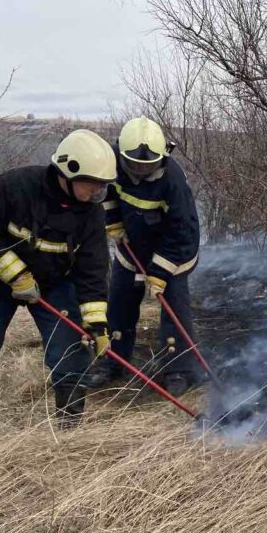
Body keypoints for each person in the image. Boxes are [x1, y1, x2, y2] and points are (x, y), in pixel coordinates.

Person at [0, 129, 116, 429]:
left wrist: (96, 325)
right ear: (68, 172)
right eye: (92, 184)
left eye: (102, 186)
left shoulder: (91, 214)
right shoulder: (14, 187)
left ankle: (69, 431)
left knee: (72, 351)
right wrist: (17, 276)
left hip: (56, 284)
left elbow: (93, 270)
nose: (97, 192)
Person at [84, 116, 201, 395]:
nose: (139, 170)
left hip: (173, 252)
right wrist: (112, 221)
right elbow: (108, 191)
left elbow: (181, 233)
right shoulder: (112, 161)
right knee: (120, 303)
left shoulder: (173, 183)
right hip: (132, 247)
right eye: (134, 164)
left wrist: (160, 273)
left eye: (146, 165)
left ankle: (179, 369)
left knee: (174, 308)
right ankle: (113, 361)